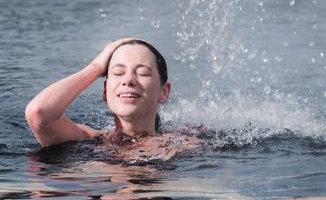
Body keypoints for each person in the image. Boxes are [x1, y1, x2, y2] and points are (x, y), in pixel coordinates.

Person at [25, 38, 201, 160]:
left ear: (164, 92)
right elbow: (38, 113)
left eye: (142, 73)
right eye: (118, 73)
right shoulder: (89, 139)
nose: (128, 80)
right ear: (105, 91)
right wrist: (96, 66)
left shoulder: (183, 147)